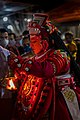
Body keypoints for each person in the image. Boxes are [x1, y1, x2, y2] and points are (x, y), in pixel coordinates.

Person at [3, 14, 80, 120]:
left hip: (57, 100)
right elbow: (30, 73)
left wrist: (18, 61)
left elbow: (46, 70)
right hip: (35, 101)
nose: (30, 45)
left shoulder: (60, 55)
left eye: (34, 41)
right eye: (30, 41)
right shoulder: (35, 57)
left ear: (44, 43)